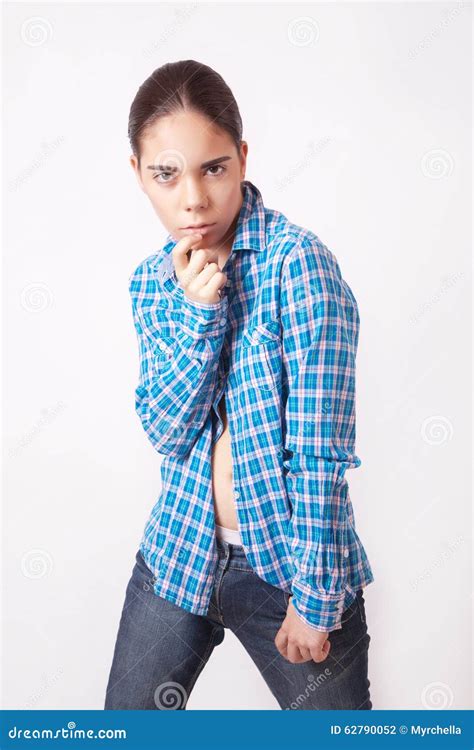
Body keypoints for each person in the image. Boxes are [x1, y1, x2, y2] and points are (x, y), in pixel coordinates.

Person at [104, 59, 375, 711]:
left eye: (213, 168)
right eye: (167, 174)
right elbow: (168, 433)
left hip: (287, 568)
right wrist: (198, 318)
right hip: (179, 549)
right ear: (137, 174)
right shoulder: (152, 283)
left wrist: (313, 600)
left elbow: (320, 452)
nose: (193, 198)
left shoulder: (297, 266)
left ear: (243, 158)